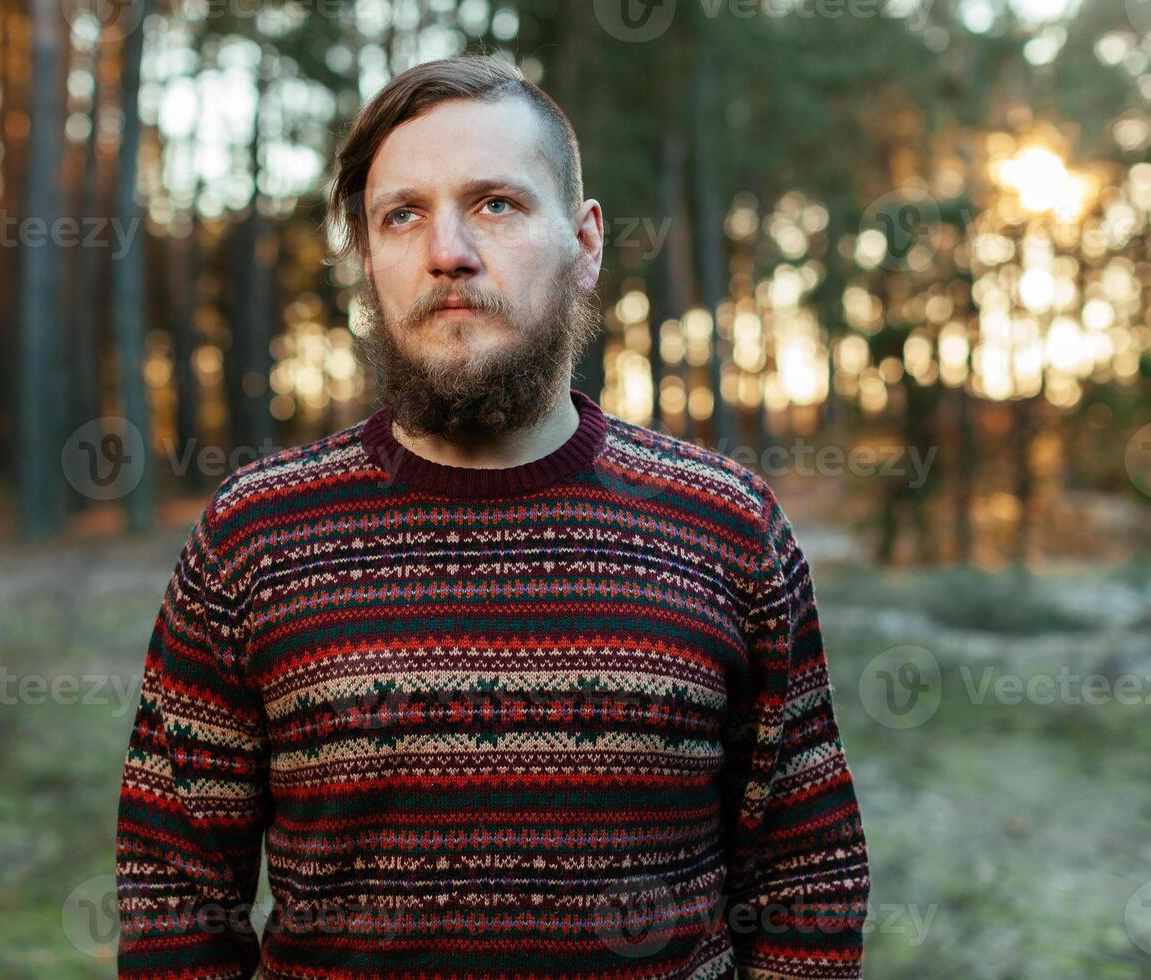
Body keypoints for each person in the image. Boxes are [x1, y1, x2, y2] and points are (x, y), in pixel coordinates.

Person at [115, 53, 870, 979]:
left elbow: (808, 879)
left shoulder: (727, 527)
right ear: (370, 257)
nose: (448, 252)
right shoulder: (253, 539)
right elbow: (174, 894)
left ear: (586, 241)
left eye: (495, 205)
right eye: (403, 215)